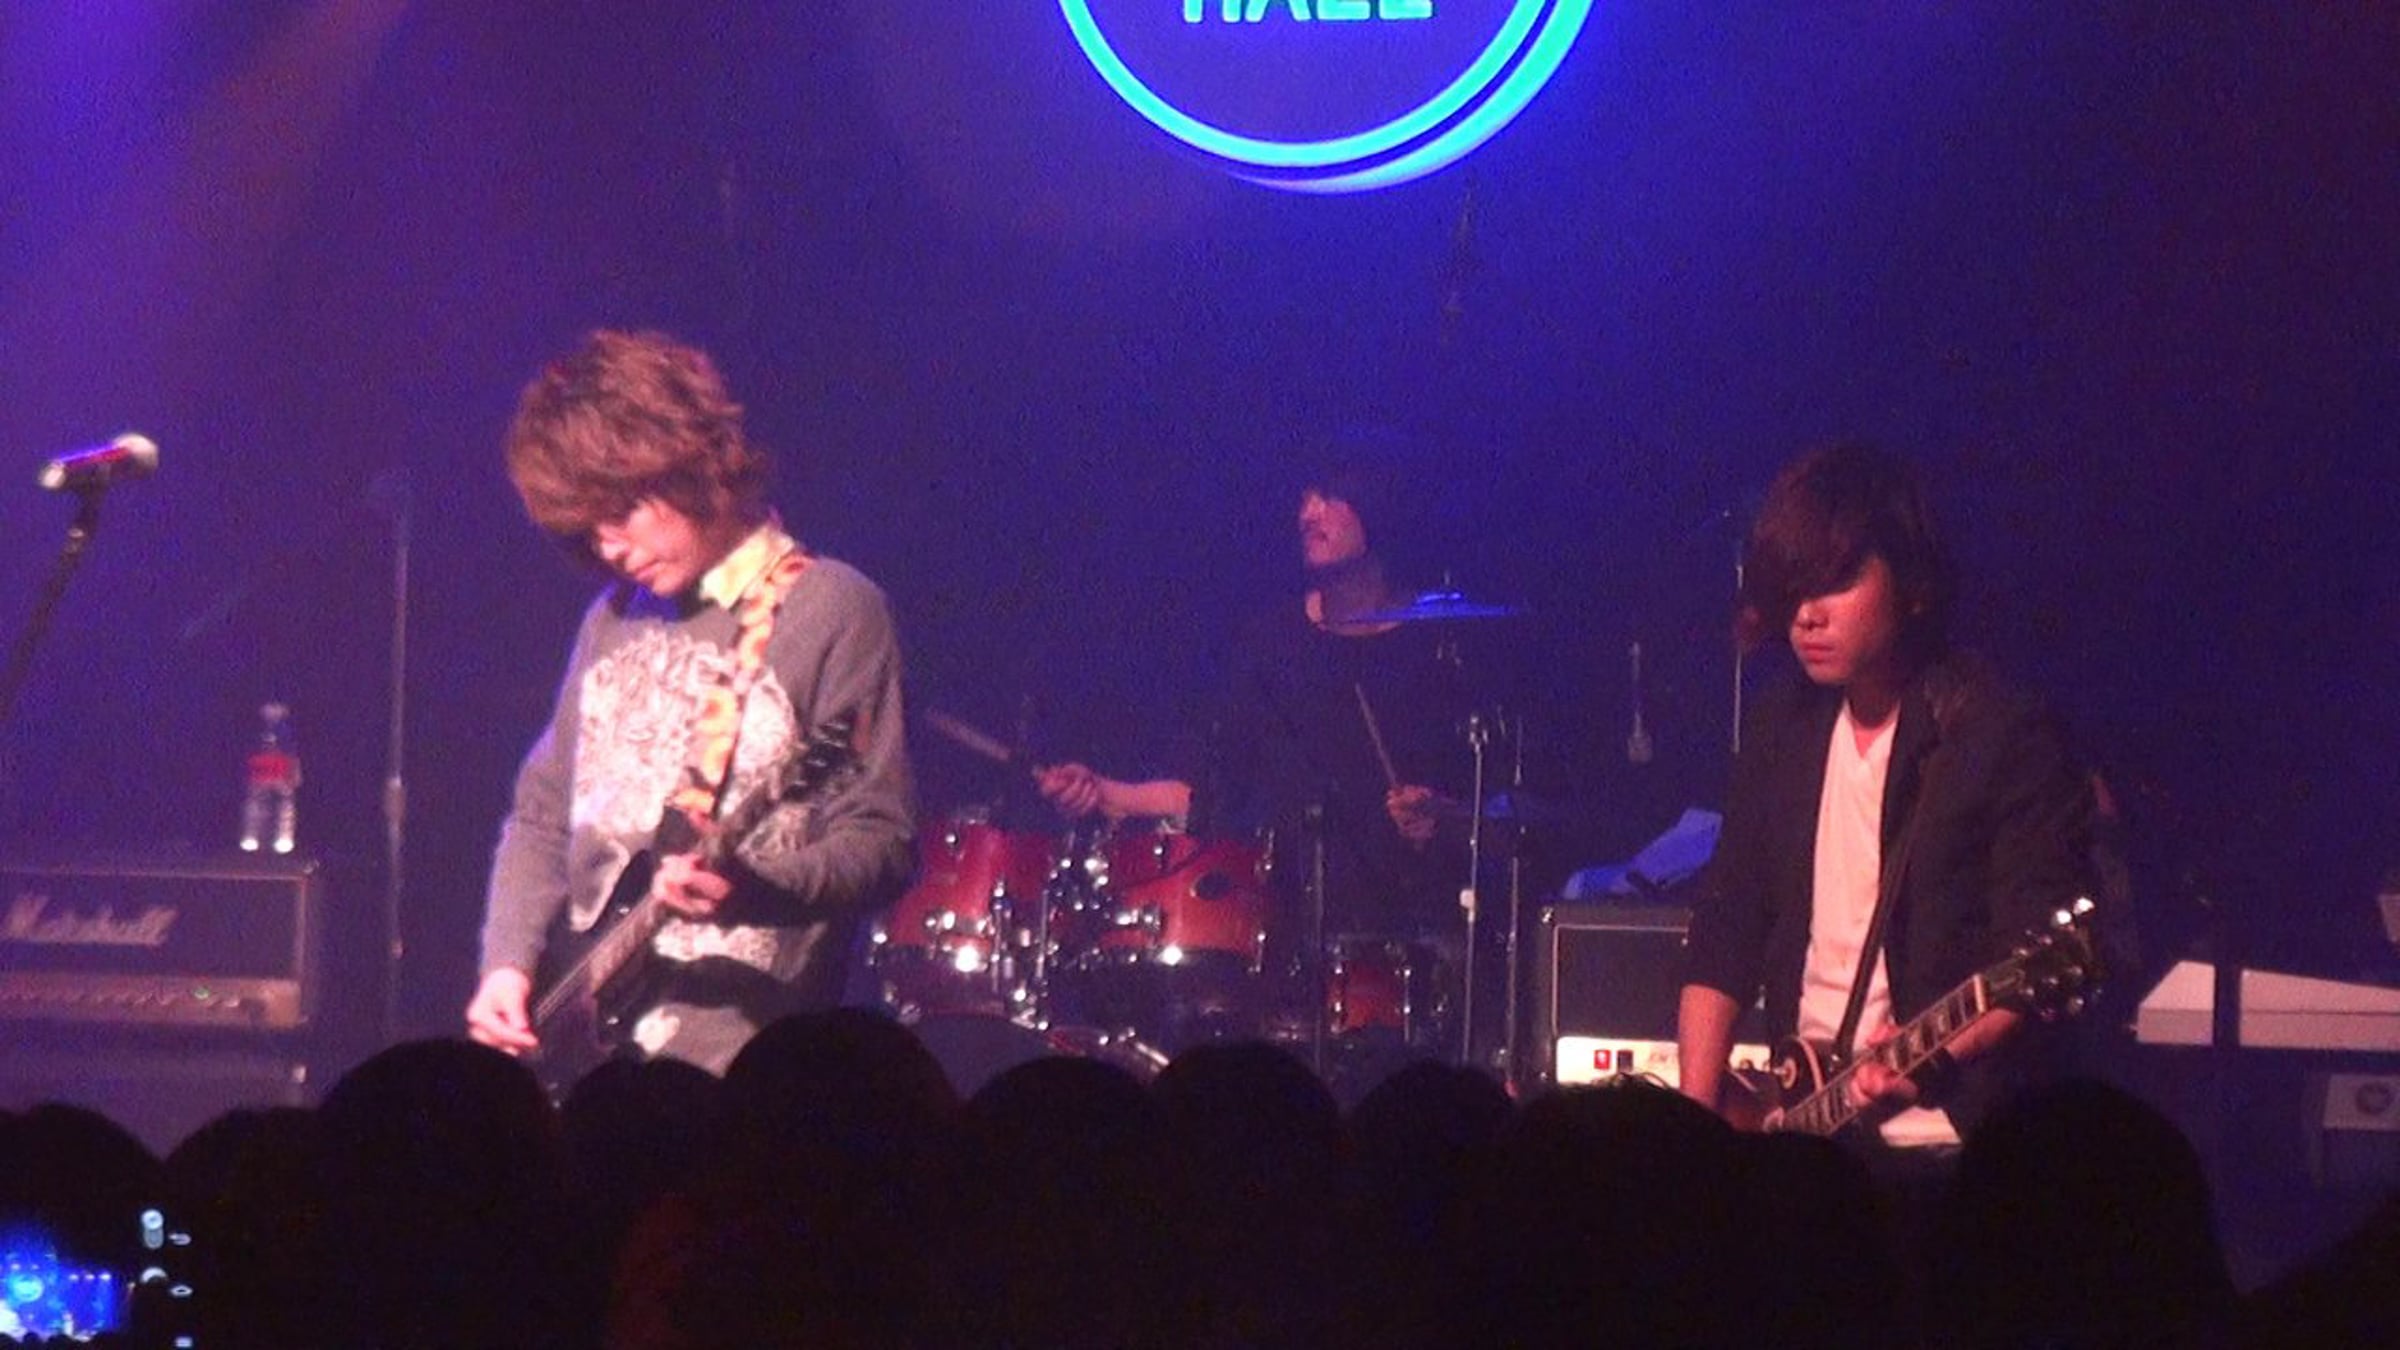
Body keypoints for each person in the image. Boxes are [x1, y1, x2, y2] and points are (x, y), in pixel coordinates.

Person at [464, 329, 914, 1075]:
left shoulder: (834, 608)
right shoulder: (611, 618)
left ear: (690, 466)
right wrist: (507, 966)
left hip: (750, 1067)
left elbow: (882, 842)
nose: (608, 546)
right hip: (589, 1057)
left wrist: (755, 889)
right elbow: (542, 815)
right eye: (588, 528)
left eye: (621, 512)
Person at [1675, 443, 2097, 1146]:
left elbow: (2034, 955)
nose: (1805, 616)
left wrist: (1932, 1061)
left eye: (1835, 583)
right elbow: (1728, 926)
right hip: (1805, 1128)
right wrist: (1692, 1127)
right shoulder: (1784, 727)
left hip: (1946, 1139)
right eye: (1793, 591)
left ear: (1912, 583)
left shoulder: (1997, 730)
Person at [1036, 443, 1479, 1038]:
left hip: (1410, 941)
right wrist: (1106, 791)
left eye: (1328, 496)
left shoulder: (1441, 648)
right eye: (1305, 498)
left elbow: (1498, 812)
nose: (1307, 513)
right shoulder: (1270, 642)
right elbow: (1209, 789)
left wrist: (1443, 819)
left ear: (1378, 506)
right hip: (1282, 938)